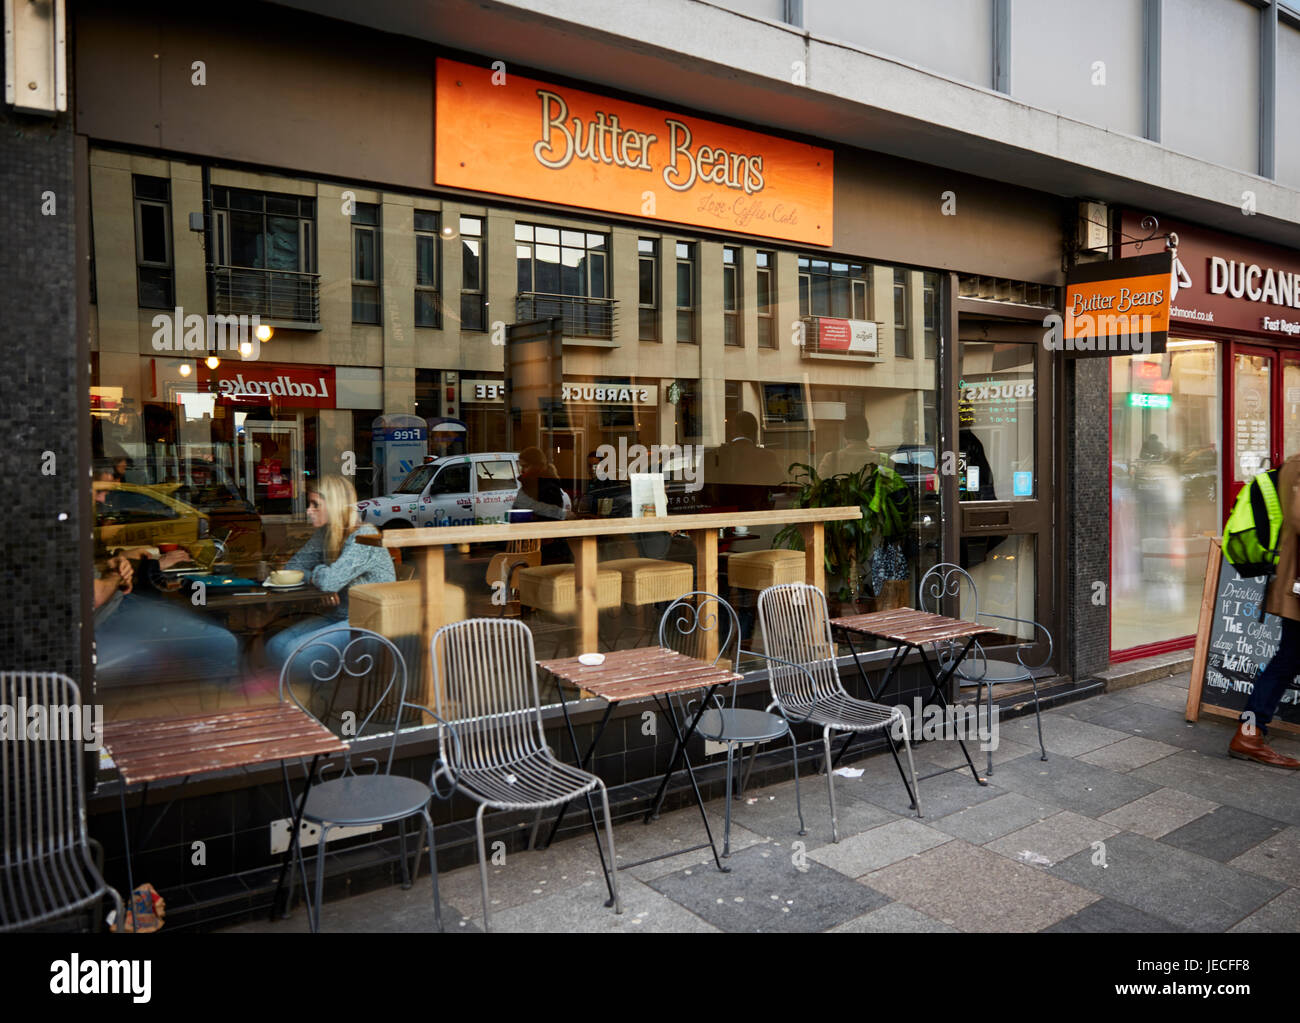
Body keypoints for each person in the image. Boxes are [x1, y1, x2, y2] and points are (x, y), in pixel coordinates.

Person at [263, 474, 396, 670]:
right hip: (338, 616)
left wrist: (323, 580)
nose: (309, 511)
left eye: (315, 504)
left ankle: (318, 696)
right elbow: (293, 567)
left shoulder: (364, 536)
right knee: (274, 646)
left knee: (292, 654)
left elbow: (329, 582)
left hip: (369, 626)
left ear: (334, 505)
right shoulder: (325, 534)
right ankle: (300, 694)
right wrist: (324, 582)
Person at [1231, 452, 1300, 768]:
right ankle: (1249, 731)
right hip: (1295, 586)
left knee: (1288, 658)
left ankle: (1250, 730)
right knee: (1287, 658)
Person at [711, 411, 785, 511]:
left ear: (733, 431)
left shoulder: (716, 454)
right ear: (754, 432)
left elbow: (705, 495)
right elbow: (780, 486)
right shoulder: (766, 455)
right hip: (755, 514)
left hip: (723, 513)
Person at [513, 445, 571, 521]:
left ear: (536, 465)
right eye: (521, 466)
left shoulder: (548, 488)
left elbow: (548, 518)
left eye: (525, 466)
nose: (522, 470)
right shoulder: (528, 484)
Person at [817, 415, 887, 477]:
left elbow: (819, 486)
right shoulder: (883, 459)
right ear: (866, 432)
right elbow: (888, 488)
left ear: (845, 434)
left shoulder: (831, 458)